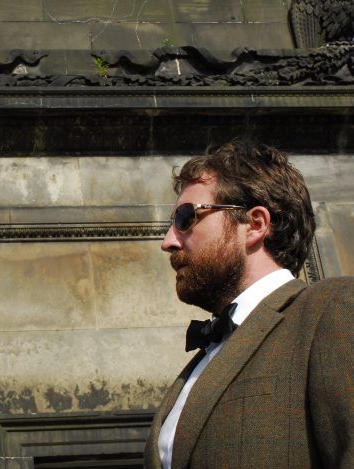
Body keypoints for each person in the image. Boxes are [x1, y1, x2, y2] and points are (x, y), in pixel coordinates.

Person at [144, 141, 354, 468]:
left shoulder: (331, 310)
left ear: (254, 225)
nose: (168, 242)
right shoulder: (205, 358)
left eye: (185, 218)